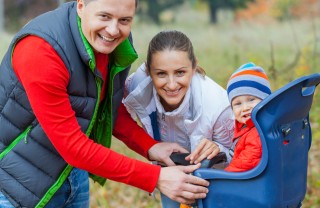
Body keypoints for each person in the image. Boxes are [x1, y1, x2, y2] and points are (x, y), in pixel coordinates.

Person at [0, 1, 210, 207]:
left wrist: (151, 147)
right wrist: (155, 177)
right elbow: (72, 146)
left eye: (124, 20)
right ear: (81, 6)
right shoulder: (41, 51)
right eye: (104, 16)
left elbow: (106, 105)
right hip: (13, 180)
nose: (113, 30)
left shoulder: (112, 40)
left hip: (70, 173)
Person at [123, 30, 234, 208]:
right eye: (161, 74)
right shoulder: (137, 87)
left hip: (214, 187)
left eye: (180, 72)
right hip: (169, 175)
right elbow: (115, 112)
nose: (172, 84)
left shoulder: (218, 105)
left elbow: (238, 155)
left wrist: (218, 148)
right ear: (149, 71)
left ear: (194, 66)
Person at [224, 62, 272, 172]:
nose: (245, 108)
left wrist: (225, 175)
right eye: (238, 104)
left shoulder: (257, 132)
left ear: (265, 100)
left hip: (249, 182)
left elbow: (246, 163)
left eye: (251, 100)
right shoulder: (246, 127)